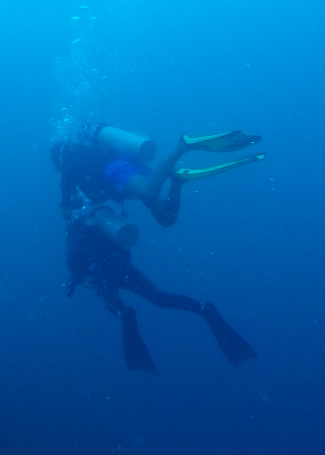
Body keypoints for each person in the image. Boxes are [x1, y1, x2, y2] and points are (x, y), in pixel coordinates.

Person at [65, 203, 256, 372]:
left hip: (103, 268)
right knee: (159, 297)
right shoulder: (100, 226)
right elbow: (123, 248)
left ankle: (126, 315)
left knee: (111, 298)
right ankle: (203, 308)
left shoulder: (75, 231)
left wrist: (76, 280)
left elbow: (73, 259)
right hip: (121, 264)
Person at [50, 124, 265, 228]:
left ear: (57, 161)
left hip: (115, 169)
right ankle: (178, 180)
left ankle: (184, 145)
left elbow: (67, 176)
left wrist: (64, 204)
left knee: (149, 191)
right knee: (166, 219)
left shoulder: (69, 157)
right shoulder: (80, 160)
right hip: (124, 170)